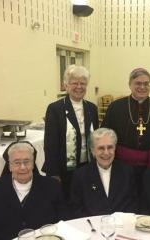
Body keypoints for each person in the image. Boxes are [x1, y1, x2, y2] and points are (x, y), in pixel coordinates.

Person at [0, 141, 69, 240]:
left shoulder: (52, 187)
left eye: (27, 162)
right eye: (17, 162)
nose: (22, 167)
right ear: (9, 166)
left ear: (33, 163)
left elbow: (66, 223)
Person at [101, 67, 150, 191]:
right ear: (130, 84)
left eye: (146, 84)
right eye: (138, 83)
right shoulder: (115, 108)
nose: (142, 87)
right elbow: (105, 136)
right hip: (122, 166)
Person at [42, 65, 99, 199]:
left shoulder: (92, 108)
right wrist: (54, 173)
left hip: (87, 166)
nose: (79, 87)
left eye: (83, 83)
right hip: (64, 169)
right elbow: (50, 144)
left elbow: (96, 138)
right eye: (75, 83)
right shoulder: (55, 109)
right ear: (66, 85)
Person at [69, 128, 138, 218]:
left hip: (121, 227)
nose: (106, 153)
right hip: (91, 227)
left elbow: (133, 203)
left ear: (115, 148)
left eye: (110, 147)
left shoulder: (127, 172)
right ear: (93, 151)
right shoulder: (80, 175)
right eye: (101, 148)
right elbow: (76, 208)